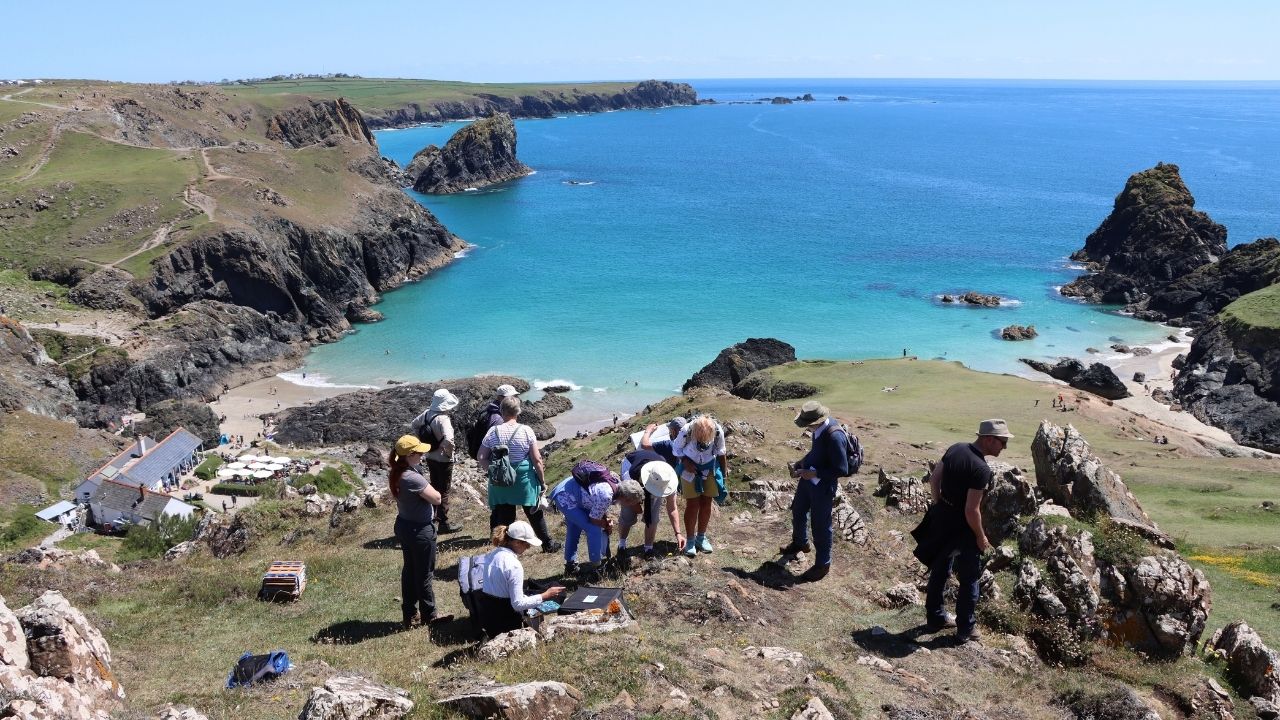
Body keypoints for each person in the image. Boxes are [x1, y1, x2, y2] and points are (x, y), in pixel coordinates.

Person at [921, 418, 1010, 644]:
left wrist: (940, 504)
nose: (1004, 447)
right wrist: (981, 537)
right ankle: (965, 628)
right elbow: (972, 510)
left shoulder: (956, 448)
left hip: (942, 519)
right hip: (963, 527)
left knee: (940, 569)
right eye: (1003, 442)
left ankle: (935, 618)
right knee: (970, 577)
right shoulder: (981, 469)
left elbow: (934, 479)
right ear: (989, 439)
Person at [780, 401, 850, 582]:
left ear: (814, 422)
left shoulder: (834, 436)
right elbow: (817, 452)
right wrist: (802, 462)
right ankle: (800, 542)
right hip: (809, 481)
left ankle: (823, 564)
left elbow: (842, 469)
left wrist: (815, 472)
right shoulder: (819, 430)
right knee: (798, 509)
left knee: (820, 525)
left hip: (823, 487)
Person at [478, 396, 559, 551]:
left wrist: (494, 471)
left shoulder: (493, 431)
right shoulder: (526, 430)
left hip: (501, 479)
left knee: (504, 515)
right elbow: (537, 459)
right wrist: (542, 481)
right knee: (534, 513)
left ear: (501, 411)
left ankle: (504, 548)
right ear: (518, 412)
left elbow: (481, 457)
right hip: (523, 479)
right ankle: (547, 544)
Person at [388, 434, 452, 630]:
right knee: (424, 573)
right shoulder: (412, 477)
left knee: (410, 571)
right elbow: (437, 498)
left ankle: (410, 613)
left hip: (405, 525)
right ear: (410, 455)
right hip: (420, 530)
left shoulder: (397, 472)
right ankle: (429, 615)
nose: (423, 456)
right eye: (419, 453)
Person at [549, 461, 644, 578]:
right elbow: (594, 520)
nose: (630, 506)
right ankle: (597, 567)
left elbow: (597, 505)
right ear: (626, 499)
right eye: (631, 504)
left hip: (573, 492)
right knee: (592, 529)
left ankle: (570, 565)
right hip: (566, 497)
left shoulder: (617, 485)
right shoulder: (607, 495)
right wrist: (605, 524)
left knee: (576, 528)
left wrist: (605, 520)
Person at [477, 521, 566, 637]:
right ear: (517, 542)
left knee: (531, 597)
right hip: (505, 623)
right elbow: (517, 604)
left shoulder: (492, 555)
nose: (528, 547)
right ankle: (540, 635)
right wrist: (545, 595)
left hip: (488, 616)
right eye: (527, 544)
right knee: (536, 604)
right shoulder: (513, 565)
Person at [673, 415, 728, 557]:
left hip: (709, 467)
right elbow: (676, 448)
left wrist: (724, 475)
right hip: (689, 468)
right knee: (692, 504)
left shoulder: (717, 431)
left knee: (706, 503)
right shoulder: (687, 430)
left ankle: (701, 538)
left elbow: (721, 452)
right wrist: (685, 462)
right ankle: (690, 540)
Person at [411, 388, 462, 533]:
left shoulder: (427, 414)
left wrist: (423, 442)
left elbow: (414, 425)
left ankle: (432, 517)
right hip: (443, 459)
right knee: (444, 490)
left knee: (434, 486)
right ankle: (444, 523)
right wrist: (448, 452)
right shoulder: (443, 419)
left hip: (430, 456)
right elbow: (449, 439)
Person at [616, 454, 684, 561]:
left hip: (651, 478)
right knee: (627, 514)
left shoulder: (667, 480)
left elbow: (672, 508)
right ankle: (622, 544)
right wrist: (638, 507)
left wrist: (678, 533)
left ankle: (648, 549)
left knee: (653, 516)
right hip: (633, 473)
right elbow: (631, 504)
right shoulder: (630, 475)